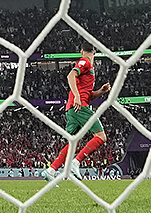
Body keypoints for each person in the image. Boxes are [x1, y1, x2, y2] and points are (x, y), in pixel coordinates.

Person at [41, 43, 111, 182]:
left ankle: (51, 170)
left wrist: (101, 92)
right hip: (80, 107)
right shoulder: (85, 61)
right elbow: (70, 75)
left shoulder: (89, 68)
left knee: (75, 143)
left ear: (81, 51)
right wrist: (77, 96)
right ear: (94, 52)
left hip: (72, 109)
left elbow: (89, 95)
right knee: (101, 136)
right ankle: (76, 162)